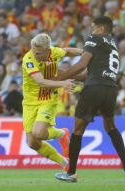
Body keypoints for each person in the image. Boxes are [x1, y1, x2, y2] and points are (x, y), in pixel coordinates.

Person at [54, 16, 125, 183]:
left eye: (93, 28)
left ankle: (70, 173)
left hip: (94, 89)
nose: (91, 32)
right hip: (111, 89)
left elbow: (82, 64)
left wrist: (59, 78)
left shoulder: (94, 38)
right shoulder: (112, 45)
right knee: (111, 127)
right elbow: (92, 73)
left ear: (101, 29)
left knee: (77, 130)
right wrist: (74, 77)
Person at [22, 33, 82, 172]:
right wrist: (63, 84)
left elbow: (67, 51)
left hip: (48, 99)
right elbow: (41, 82)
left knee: (39, 134)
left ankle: (62, 135)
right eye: (34, 51)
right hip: (30, 102)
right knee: (32, 143)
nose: (34, 54)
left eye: (38, 53)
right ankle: (64, 161)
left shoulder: (54, 52)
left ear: (48, 50)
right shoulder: (29, 59)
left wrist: (85, 53)